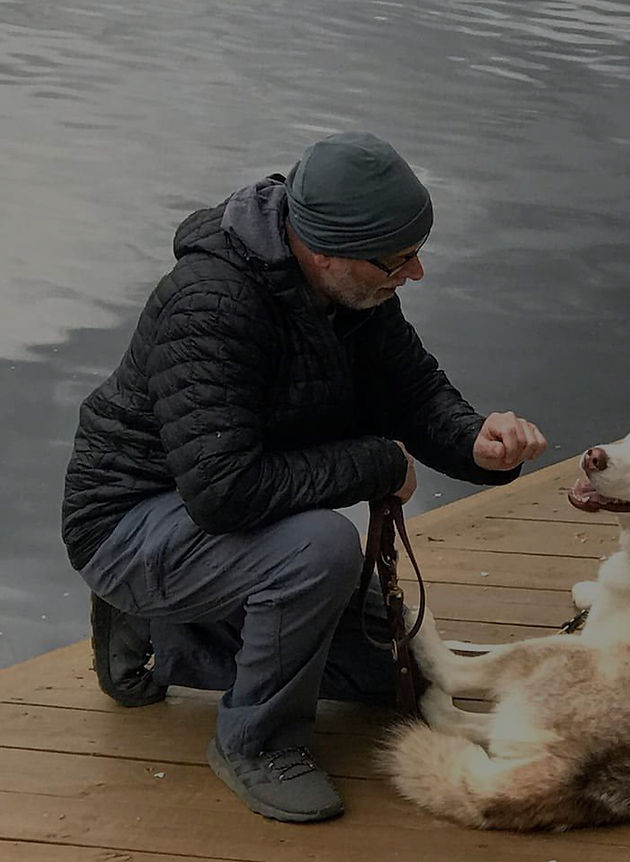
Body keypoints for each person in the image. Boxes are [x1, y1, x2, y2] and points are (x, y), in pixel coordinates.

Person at [61, 131, 547, 823]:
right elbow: (224, 491)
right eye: (400, 258)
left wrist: (478, 444)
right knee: (318, 549)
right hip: (129, 522)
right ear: (324, 251)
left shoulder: (354, 289)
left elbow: (411, 391)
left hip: (221, 519)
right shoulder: (211, 305)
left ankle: (167, 633)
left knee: (392, 672)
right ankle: (253, 744)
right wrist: (377, 463)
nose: (414, 273)